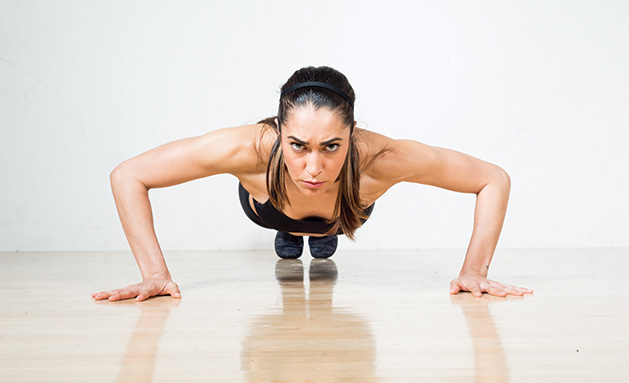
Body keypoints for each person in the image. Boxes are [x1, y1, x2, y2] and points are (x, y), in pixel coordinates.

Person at [92, 66, 533, 302]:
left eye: (332, 147)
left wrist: (474, 272)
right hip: (268, 206)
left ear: (353, 133)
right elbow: (128, 174)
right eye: (298, 145)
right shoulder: (246, 149)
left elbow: (492, 179)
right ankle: (292, 228)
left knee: (329, 221)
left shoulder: (382, 159)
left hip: (344, 211)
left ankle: (322, 233)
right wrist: (154, 275)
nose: (314, 167)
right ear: (278, 131)